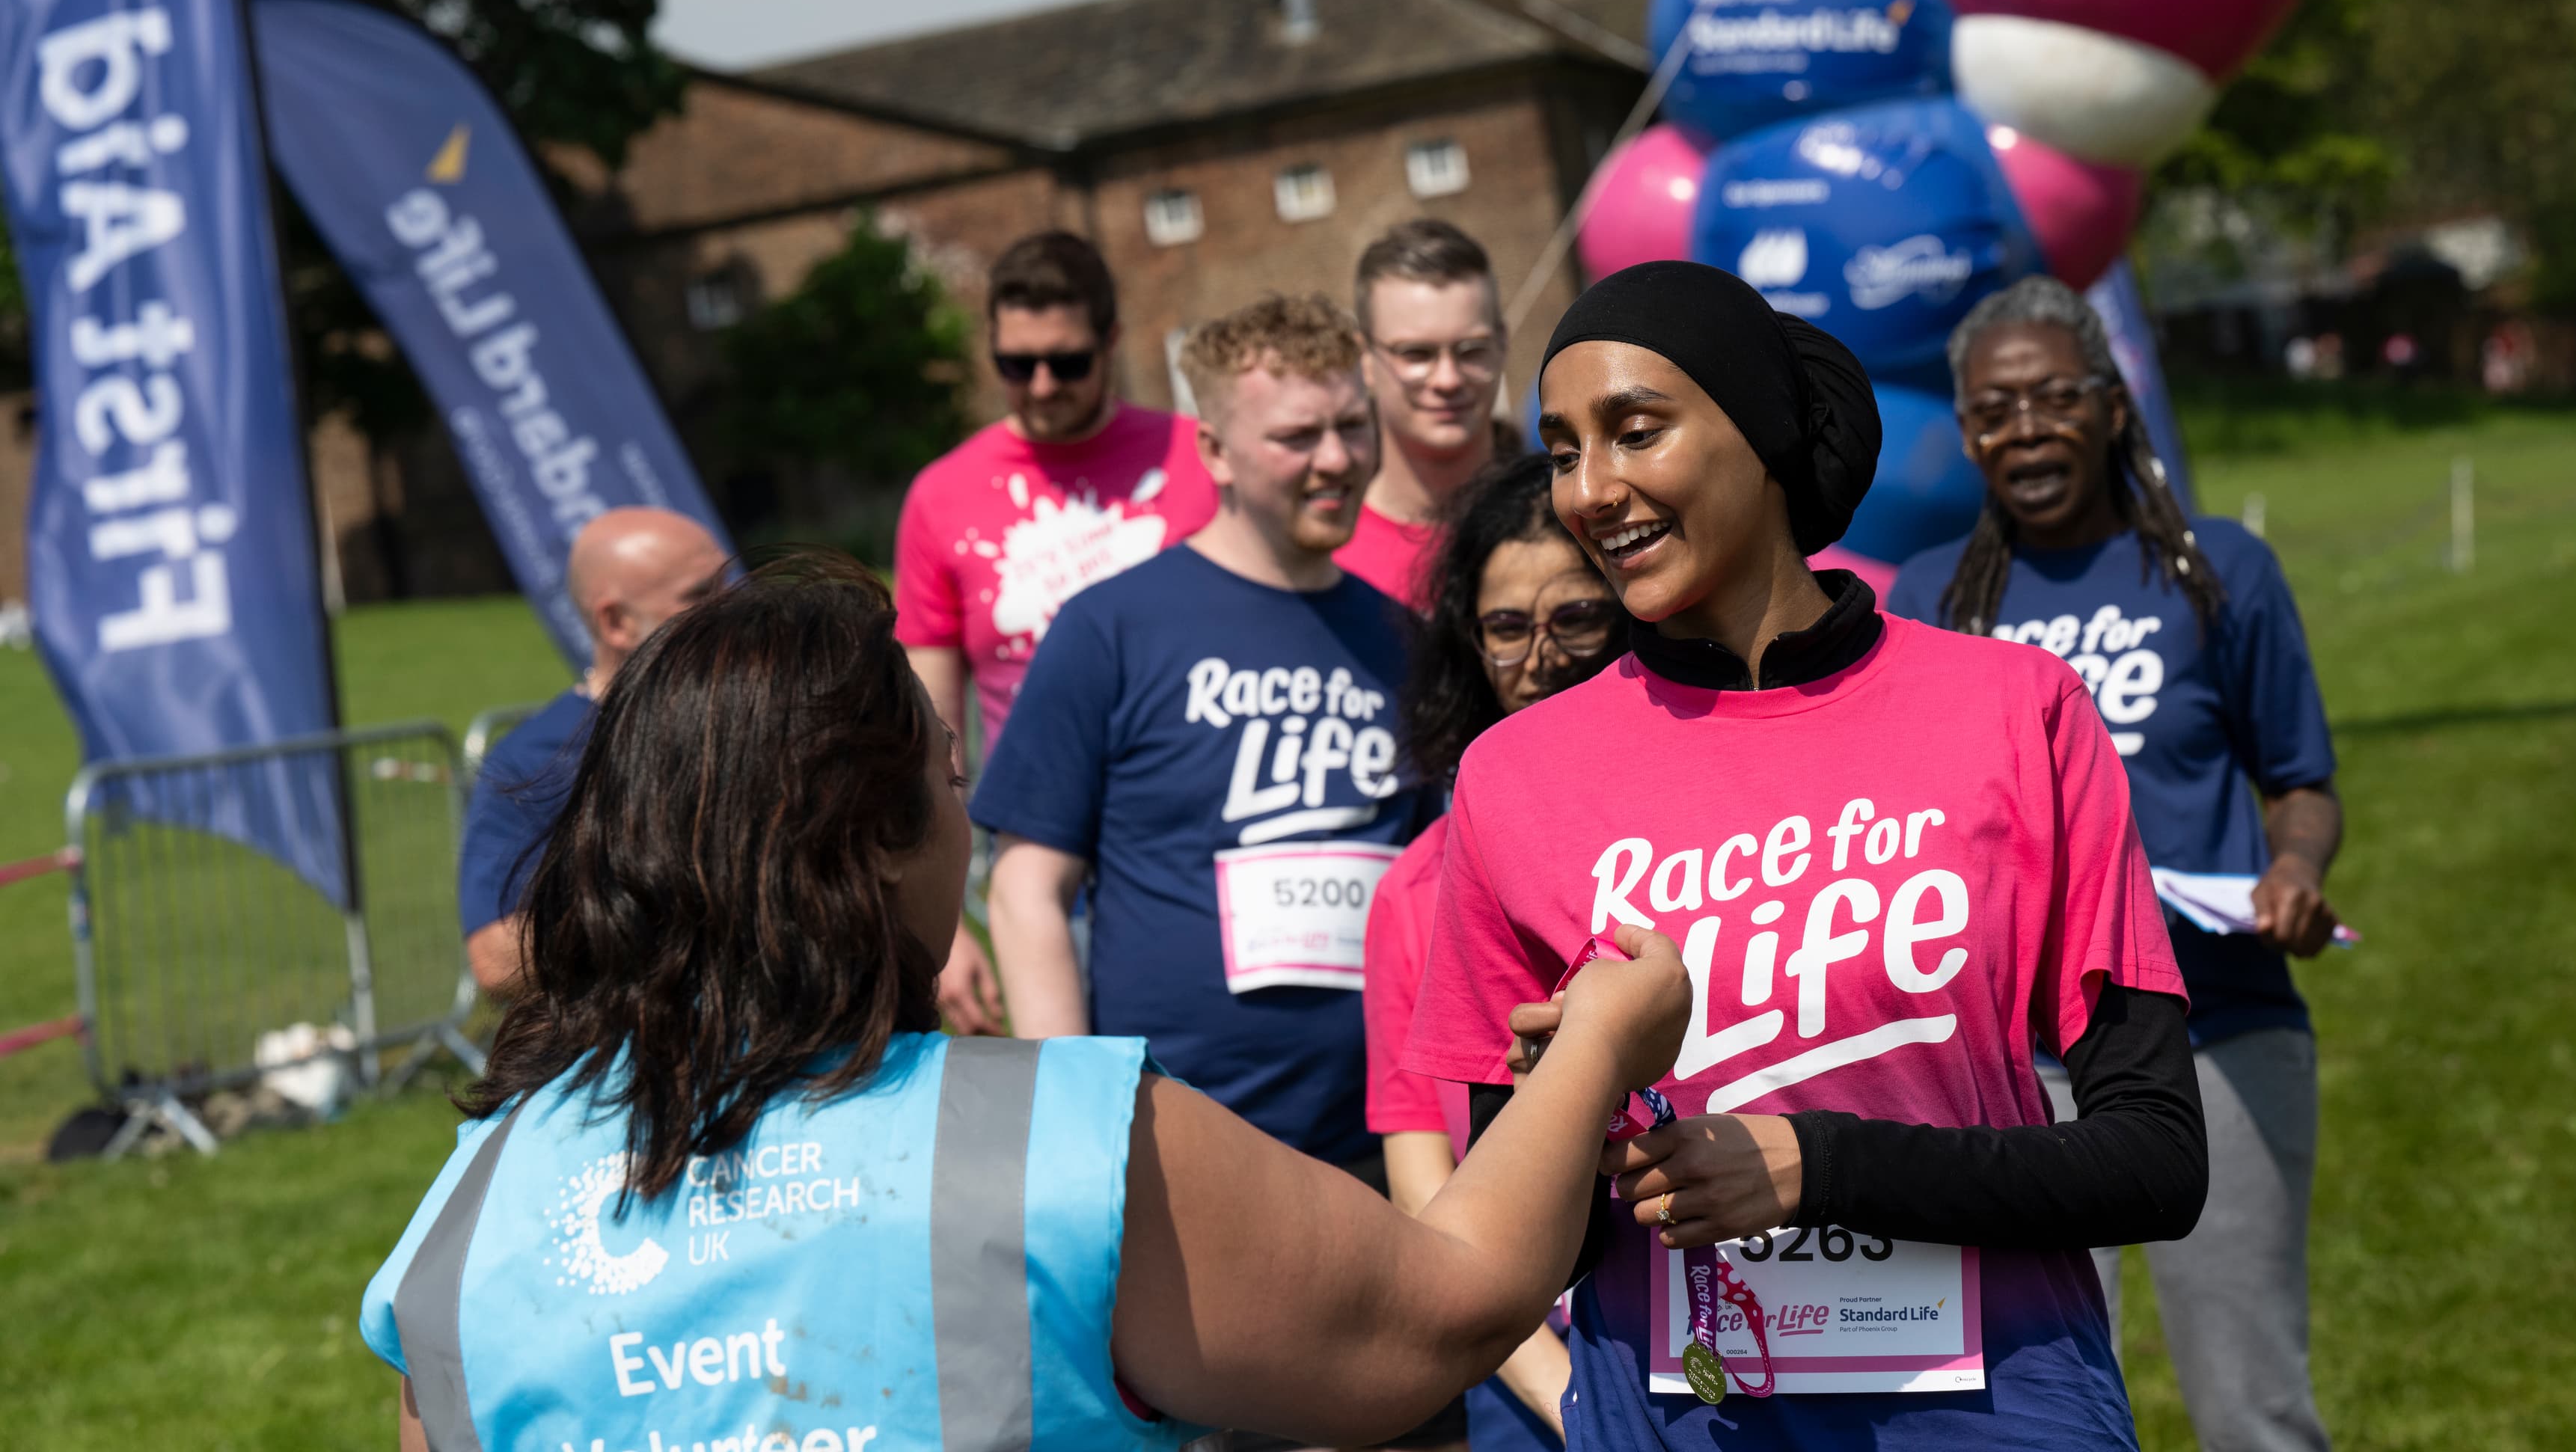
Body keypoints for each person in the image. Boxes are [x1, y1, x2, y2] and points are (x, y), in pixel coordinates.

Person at [362, 552, 1695, 1452]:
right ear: (879, 837)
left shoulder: (470, 1203)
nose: (971, 817)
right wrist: (1596, 1047)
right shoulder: (1056, 1141)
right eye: (950, 774)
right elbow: (1440, 1317)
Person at [1406, 261, 2206, 1452]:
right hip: (1679, 1424)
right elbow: (1512, 1260)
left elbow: (2154, 1161)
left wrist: (1819, 1165)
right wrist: (1558, 1098)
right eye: (1566, 449)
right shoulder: (1514, 782)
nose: (1593, 490)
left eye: (1636, 432)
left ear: (1764, 434)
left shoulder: (2014, 710)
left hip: (2002, 1417)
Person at [1890, 276, 2344, 1452]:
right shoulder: (1933, 600)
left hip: (2219, 1033)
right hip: (2013, 1066)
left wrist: (2293, 870)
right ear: (1966, 427)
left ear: (2111, 405)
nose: (2026, 429)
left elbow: (2299, 780)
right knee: (2027, 1408)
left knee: (2249, 1404)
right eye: (1995, 410)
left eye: (2053, 398)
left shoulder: (2218, 571)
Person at [977, 292, 1429, 1172]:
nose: (1335, 459)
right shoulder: (1112, 627)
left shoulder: (1407, 640)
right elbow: (1026, 889)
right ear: (1214, 450)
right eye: (1298, 437)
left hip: (1385, 1147)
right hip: (1172, 1145)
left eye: (1352, 425)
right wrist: (1074, 1121)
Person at [1369, 452, 1631, 1449]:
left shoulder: (1720, 846)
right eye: (1508, 630)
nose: (1542, 657)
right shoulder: (1414, 891)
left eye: (1576, 619)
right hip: (1529, 1380)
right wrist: (1565, 1395)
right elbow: (1424, 1176)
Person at [893, 230, 1217, 1031]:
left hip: (1202, 823)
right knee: (1073, 1103)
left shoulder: (1202, 458)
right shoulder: (942, 496)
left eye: (1068, 361)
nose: (1041, 384)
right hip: (1039, 847)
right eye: (1016, 363)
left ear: (1111, 342)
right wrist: (942, 923)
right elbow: (926, 731)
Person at [456, 506, 726, 1001]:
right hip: (643, 1052)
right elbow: (495, 958)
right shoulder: (535, 761)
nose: (730, 609)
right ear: (617, 621)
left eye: (728, 586)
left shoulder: (764, 713)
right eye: (699, 596)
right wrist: (670, 900)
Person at [1341, 219, 1513, 609]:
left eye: (1471, 350)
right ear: (1364, 358)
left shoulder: (1569, 521)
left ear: (1503, 343)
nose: (1448, 379)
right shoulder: (1325, 558)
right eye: (1416, 354)